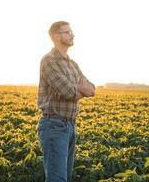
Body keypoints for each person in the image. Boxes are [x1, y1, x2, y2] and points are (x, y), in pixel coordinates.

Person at [37, 21, 95, 182]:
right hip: (54, 125)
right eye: (67, 32)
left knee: (66, 178)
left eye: (71, 32)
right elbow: (68, 91)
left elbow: (91, 90)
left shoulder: (72, 64)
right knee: (57, 179)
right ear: (56, 36)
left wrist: (78, 89)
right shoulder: (49, 61)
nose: (72, 35)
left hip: (70, 126)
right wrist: (79, 88)